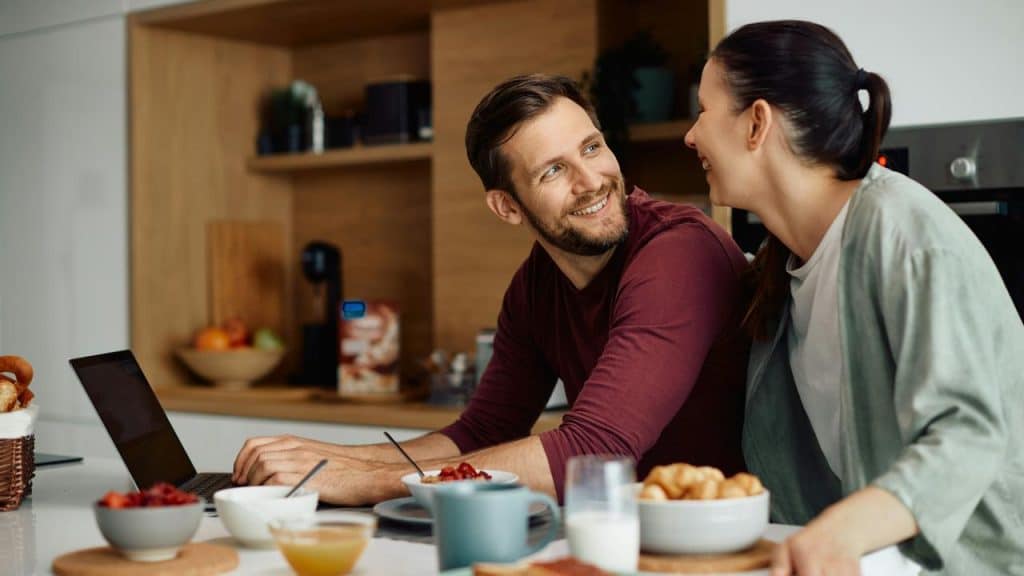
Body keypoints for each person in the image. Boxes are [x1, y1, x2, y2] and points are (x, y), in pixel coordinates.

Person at [232, 74, 749, 505]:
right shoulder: (535, 287)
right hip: (619, 532)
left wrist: (361, 479)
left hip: (718, 543)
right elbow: (483, 433)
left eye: (592, 147)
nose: (591, 180)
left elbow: (593, 449)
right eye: (553, 170)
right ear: (507, 207)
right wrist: (326, 459)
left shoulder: (679, 252)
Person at [684, 19, 1024, 576]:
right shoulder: (781, 261)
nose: (691, 135)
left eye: (703, 110)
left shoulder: (906, 236)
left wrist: (842, 532)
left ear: (757, 124)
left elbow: (968, 437)